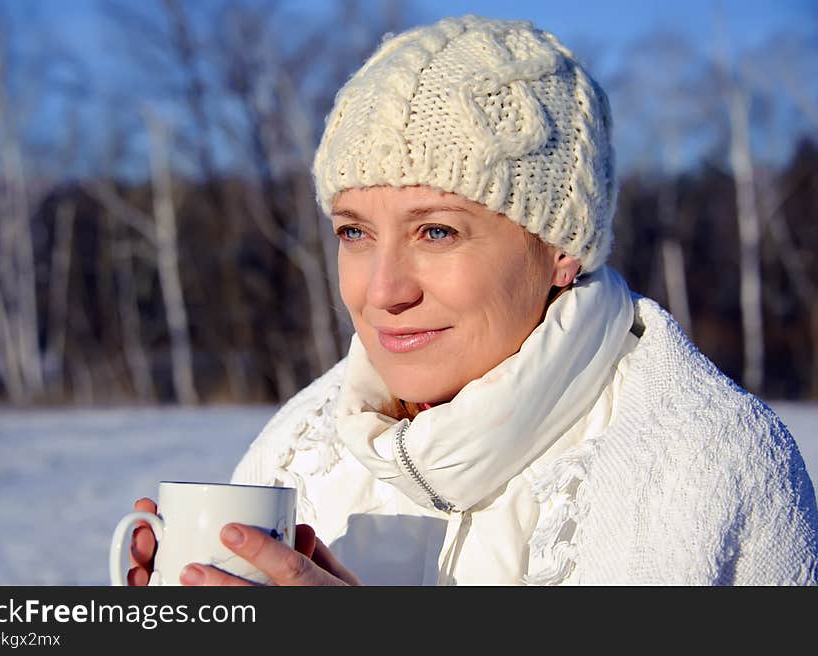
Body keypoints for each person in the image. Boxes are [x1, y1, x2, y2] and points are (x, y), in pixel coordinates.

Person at [127, 14, 818, 586]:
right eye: (355, 233)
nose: (383, 291)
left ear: (560, 246)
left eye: (436, 230)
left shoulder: (710, 466)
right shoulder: (302, 444)